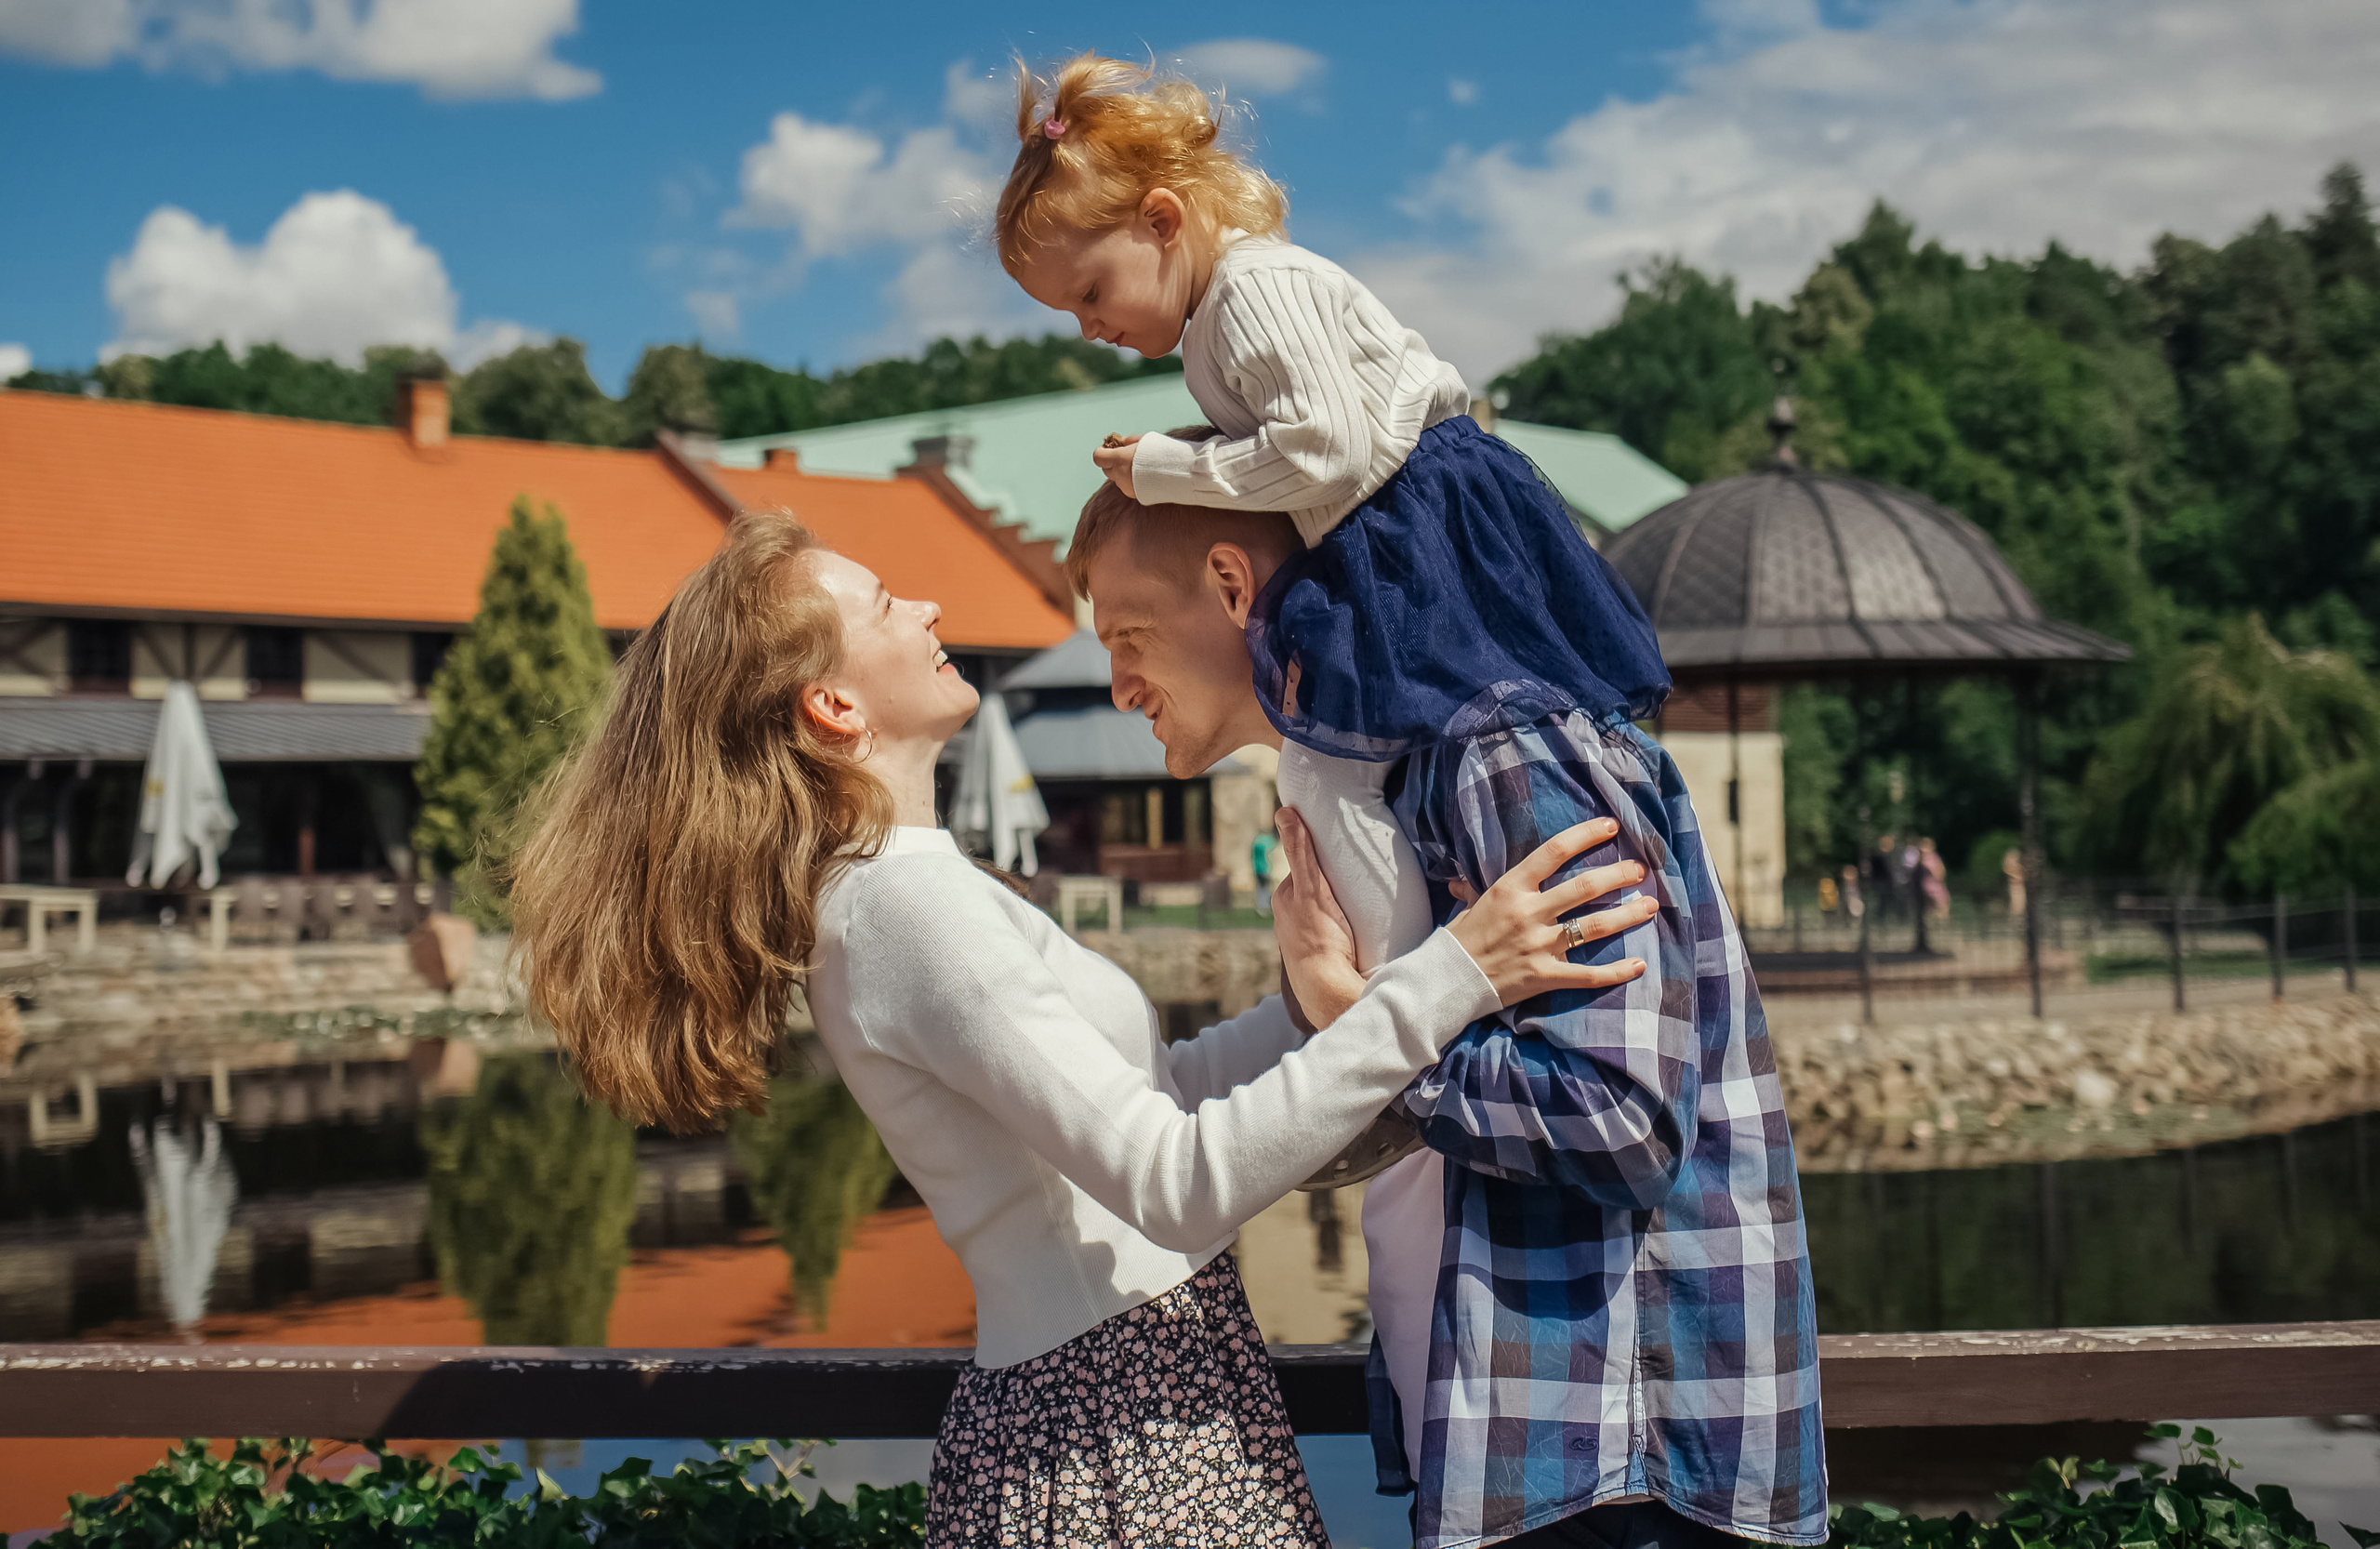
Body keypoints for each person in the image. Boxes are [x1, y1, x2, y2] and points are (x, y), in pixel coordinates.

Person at [509, 512, 1656, 1549]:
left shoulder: (898, 889)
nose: (928, 608)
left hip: (1125, 1395)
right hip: (1115, 1419)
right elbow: (1174, 1185)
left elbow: (1158, 1094)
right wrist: (1452, 975)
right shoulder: (904, 905)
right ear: (834, 707)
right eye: (884, 605)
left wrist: (1314, 1004)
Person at [1064, 470, 1827, 1548]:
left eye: (1127, 636)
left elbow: (1624, 1117)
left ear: (1232, 587)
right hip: (1522, 1444)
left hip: (1616, 1469)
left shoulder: (1498, 751)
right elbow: (1392, 1106)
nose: (1113, 686)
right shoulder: (1363, 787)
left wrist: (1359, 1019)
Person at [1251, 821, 1281, 915]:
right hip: (1265, 869)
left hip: (1258, 868)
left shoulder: (1256, 841)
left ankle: (1262, 906)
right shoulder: (1268, 841)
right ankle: (1265, 906)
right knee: (1266, 888)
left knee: (1261, 888)